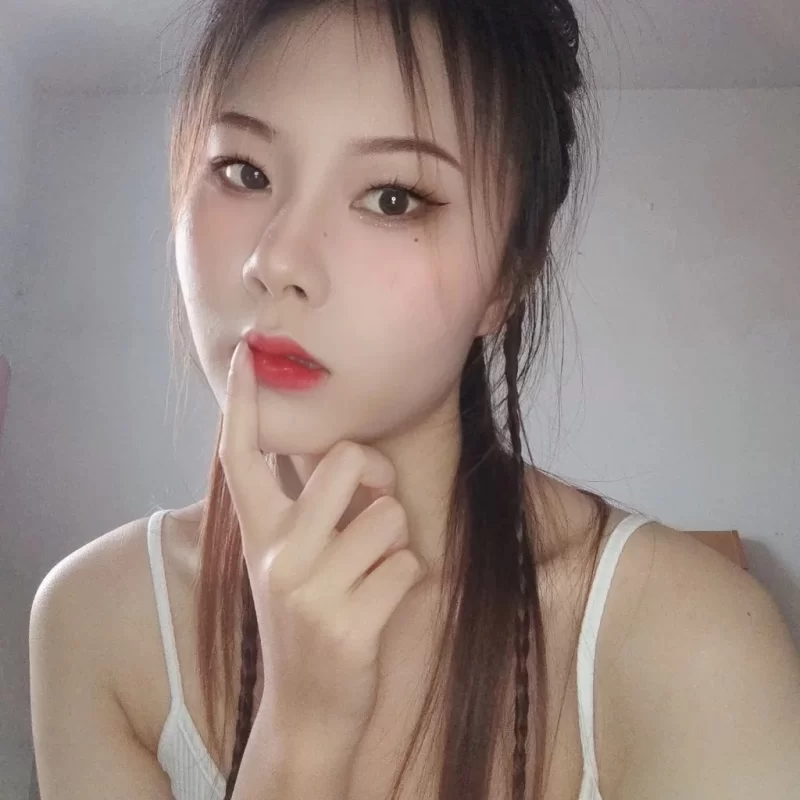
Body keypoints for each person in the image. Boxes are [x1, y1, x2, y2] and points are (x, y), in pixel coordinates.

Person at [29, 1, 800, 799]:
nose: (277, 260)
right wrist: (299, 736)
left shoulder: (690, 644)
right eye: (245, 173)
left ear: (506, 278)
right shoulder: (99, 618)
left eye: (392, 198)